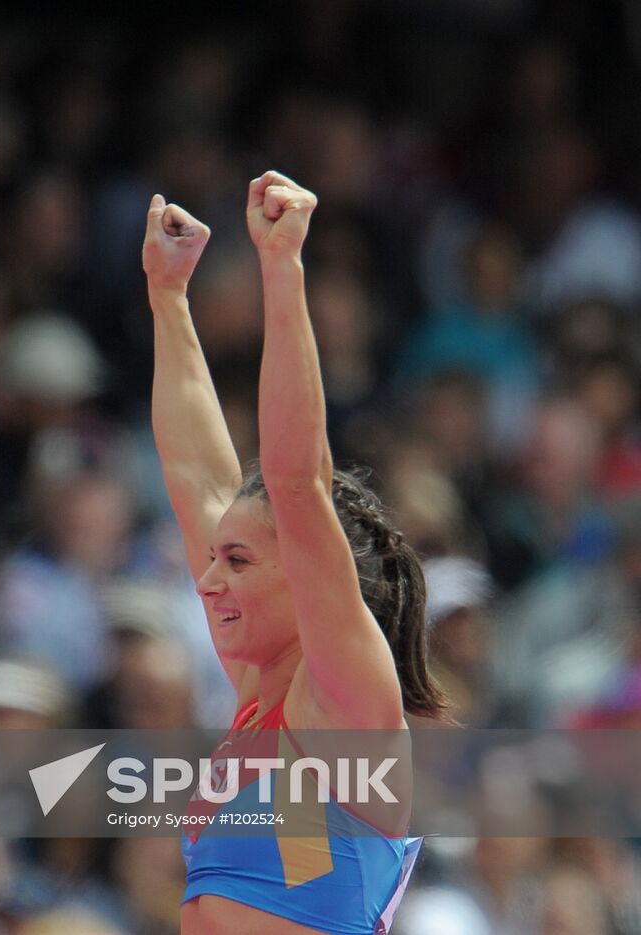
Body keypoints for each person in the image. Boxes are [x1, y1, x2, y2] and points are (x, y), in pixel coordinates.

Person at [143, 172, 446, 935]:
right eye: (216, 559)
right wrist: (169, 299)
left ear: (308, 573)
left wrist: (282, 268)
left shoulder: (346, 699)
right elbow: (195, 475)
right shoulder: (259, 693)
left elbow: (295, 479)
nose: (207, 581)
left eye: (238, 561)